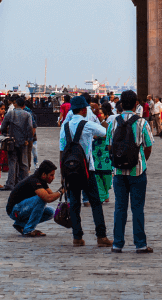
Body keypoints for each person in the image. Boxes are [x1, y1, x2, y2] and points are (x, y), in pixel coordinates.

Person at [59, 95, 112, 248]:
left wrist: (63, 174)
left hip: (69, 169)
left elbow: (62, 150)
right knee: (95, 202)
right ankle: (101, 237)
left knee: (75, 202)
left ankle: (77, 237)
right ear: (83, 110)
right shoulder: (88, 124)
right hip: (87, 169)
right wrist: (99, 117)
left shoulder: (65, 126)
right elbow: (106, 132)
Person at [107, 88, 154, 254]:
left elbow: (109, 146)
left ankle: (117, 244)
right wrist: (140, 161)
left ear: (120, 104)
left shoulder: (113, 122)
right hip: (137, 172)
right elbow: (148, 146)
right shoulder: (142, 123)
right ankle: (140, 244)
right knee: (137, 209)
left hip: (118, 172)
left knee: (119, 208)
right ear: (136, 104)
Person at [5, 160, 63, 237]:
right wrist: (61, 191)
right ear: (44, 174)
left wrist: (63, 188)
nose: (53, 178)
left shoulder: (42, 180)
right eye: (51, 175)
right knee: (41, 199)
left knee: (50, 212)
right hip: (15, 211)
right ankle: (28, 230)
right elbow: (48, 198)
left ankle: (21, 225)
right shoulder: (34, 180)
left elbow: (52, 195)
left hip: (22, 208)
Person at [1, 94, 36, 191]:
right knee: (23, 163)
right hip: (23, 142)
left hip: (12, 141)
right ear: (23, 105)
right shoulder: (27, 115)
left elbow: (3, 126)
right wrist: (28, 140)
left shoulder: (10, 113)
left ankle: (10, 184)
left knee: (12, 162)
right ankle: (24, 183)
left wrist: (4, 133)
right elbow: (30, 127)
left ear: (15, 104)